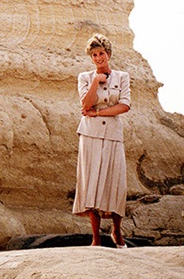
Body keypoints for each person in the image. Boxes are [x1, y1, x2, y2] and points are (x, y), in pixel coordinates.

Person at [72, 33, 131, 247]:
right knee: (91, 182)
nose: (98, 58)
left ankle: (117, 231)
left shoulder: (122, 76)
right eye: (94, 55)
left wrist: (98, 113)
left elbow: (124, 105)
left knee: (116, 181)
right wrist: (96, 81)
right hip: (89, 135)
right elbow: (85, 105)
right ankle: (96, 238)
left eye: (102, 54)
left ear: (109, 54)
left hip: (113, 134)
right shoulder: (85, 77)